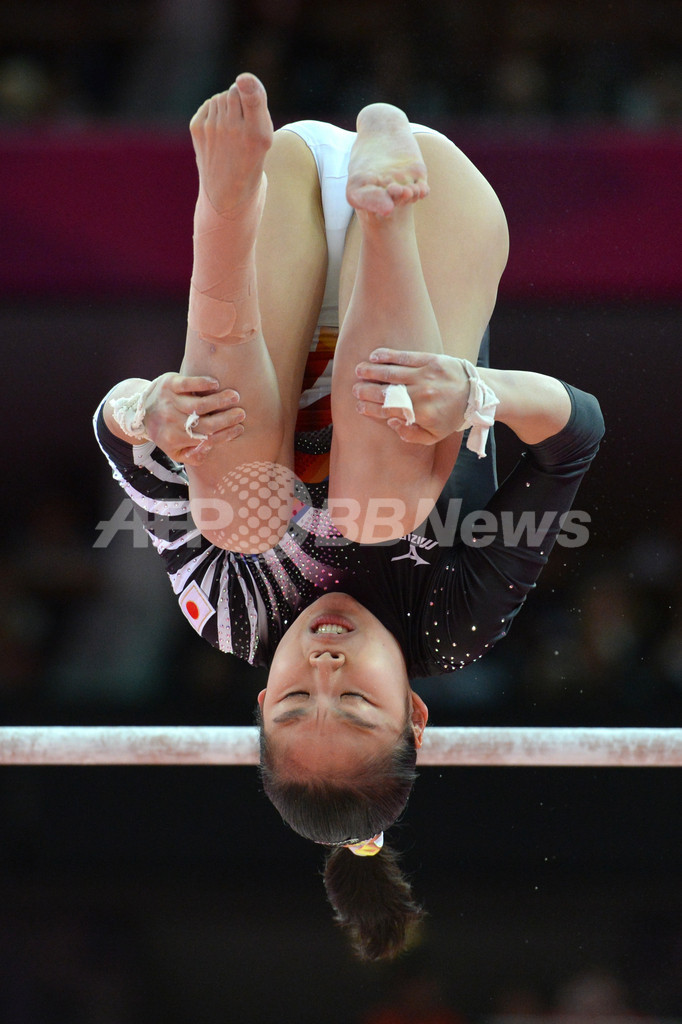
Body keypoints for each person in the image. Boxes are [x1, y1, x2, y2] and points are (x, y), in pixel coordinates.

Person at [94, 74, 604, 960]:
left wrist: (149, 412)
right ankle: (381, 196)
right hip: (427, 205)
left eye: (297, 699)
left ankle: (221, 216)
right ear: (414, 712)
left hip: (276, 210)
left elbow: (118, 440)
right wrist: (478, 395)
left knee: (234, 515)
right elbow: (576, 438)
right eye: (358, 701)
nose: (325, 666)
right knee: (376, 513)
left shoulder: (231, 612)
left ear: (261, 702)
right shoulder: (450, 623)